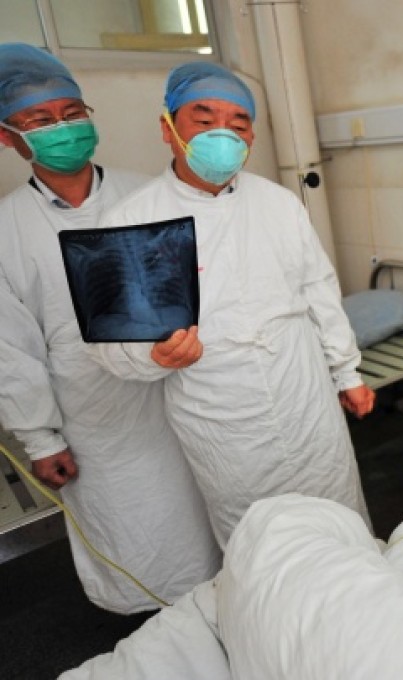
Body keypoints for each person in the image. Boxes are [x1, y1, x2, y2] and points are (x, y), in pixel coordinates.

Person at [87, 62, 375, 547]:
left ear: (251, 138)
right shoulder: (130, 222)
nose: (223, 133)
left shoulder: (279, 202)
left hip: (302, 394)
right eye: (203, 120)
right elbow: (108, 344)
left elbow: (318, 289)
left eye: (238, 123)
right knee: (257, 539)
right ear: (168, 128)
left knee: (337, 515)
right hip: (220, 411)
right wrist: (153, 356)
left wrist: (347, 372)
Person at [0, 43, 220, 613]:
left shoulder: (149, 192)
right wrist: (40, 438)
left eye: (72, 114)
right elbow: (10, 348)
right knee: (133, 527)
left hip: (177, 388)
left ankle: (223, 609)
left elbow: (201, 282)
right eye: (41, 121)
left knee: (203, 511)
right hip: (94, 416)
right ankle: (151, 627)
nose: (63, 128)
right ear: (8, 138)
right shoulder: (7, 229)